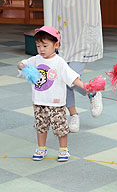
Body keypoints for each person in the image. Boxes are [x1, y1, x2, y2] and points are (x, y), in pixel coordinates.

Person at [17, 26, 87, 162]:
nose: (41, 49)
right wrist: (21, 65)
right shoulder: (36, 59)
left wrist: (85, 86)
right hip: (39, 102)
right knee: (40, 126)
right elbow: (22, 64)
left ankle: (63, 149)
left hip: (56, 102)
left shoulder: (59, 62)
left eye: (45, 45)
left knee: (61, 127)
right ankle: (41, 147)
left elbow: (72, 77)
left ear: (56, 45)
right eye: (38, 46)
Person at [52, 0, 103, 133]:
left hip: (82, 33)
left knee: (69, 76)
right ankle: (74, 113)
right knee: (62, 78)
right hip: (64, 32)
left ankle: (91, 92)